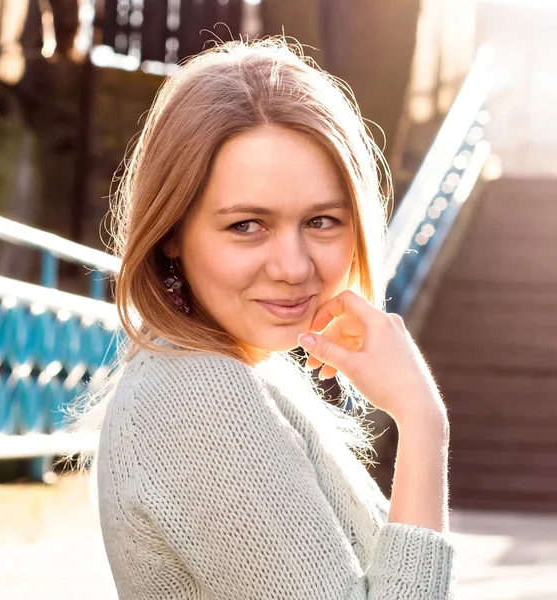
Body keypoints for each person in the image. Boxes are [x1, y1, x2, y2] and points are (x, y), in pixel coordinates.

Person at [83, 39, 455, 599]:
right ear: (171, 237)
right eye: (246, 225)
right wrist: (425, 424)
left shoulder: (249, 372)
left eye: (323, 220)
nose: (293, 266)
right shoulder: (198, 395)